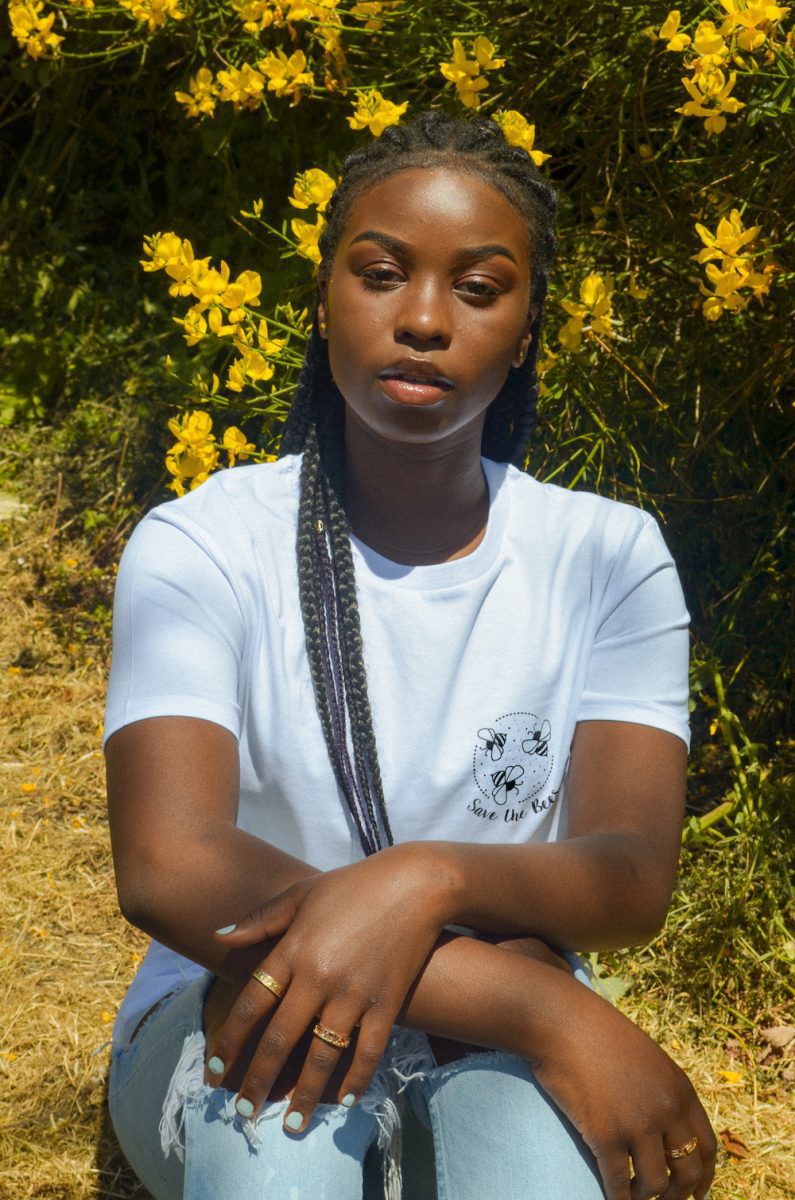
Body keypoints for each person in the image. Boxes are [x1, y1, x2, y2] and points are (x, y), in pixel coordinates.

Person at [104, 110, 717, 1200]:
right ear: (324, 298)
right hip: (247, 996)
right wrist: (548, 1010)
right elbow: (170, 866)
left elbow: (629, 874)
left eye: (478, 288)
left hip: (488, 1041)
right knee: (277, 1166)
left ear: (525, 330)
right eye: (381, 274)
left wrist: (427, 878)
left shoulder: (607, 556)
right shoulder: (203, 543)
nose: (424, 319)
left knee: (528, 1173)